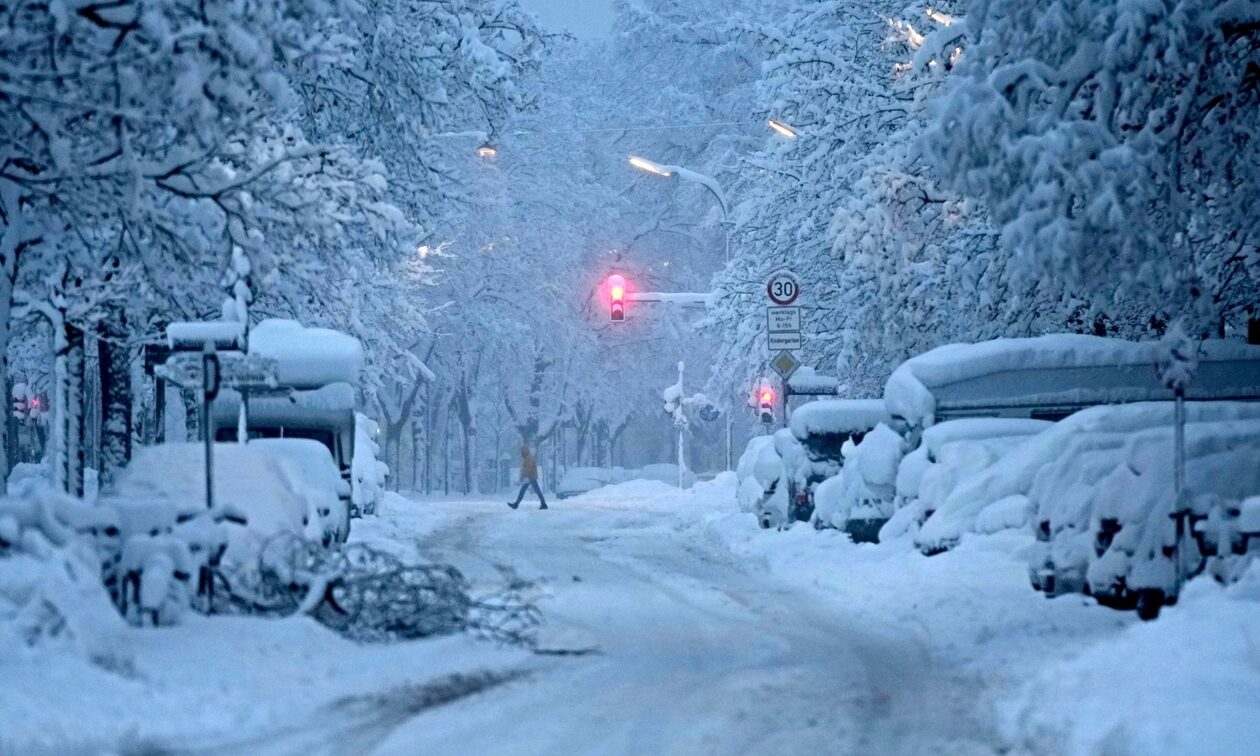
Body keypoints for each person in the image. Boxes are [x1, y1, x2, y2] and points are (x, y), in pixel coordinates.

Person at [507, 444, 547, 510]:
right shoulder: (528, 457)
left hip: (531, 477)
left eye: (522, 452)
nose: (521, 453)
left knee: (533, 491)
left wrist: (524, 475)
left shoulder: (529, 458)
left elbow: (528, 468)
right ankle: (543, 504)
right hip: (530, 477)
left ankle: (516, 504)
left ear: (524, 451)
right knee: (531, 491)